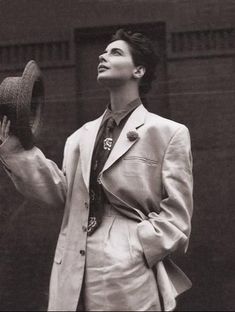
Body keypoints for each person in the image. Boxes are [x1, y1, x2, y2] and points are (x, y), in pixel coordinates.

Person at [0, 29, 193, 311]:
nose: (103, 56)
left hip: (130, 271)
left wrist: (135, 246)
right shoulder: (80, 136)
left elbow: (178, 216)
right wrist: (15, 152)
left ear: (138, 70)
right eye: (103, 52)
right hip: (73, 265)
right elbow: (60, 193)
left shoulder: (168, 133)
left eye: (115, 52)